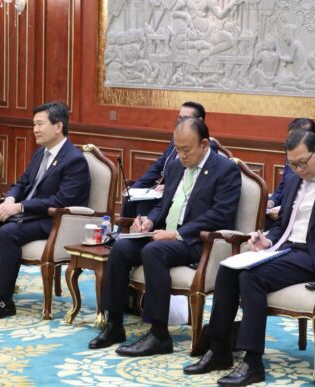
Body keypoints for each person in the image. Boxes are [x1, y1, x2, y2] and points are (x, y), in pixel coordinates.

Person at [183, 130, 315, 386]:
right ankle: (219, 349)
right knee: (228, 269)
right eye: (292, 164)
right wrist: (267, 241)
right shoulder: (293, 180)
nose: (298, 169)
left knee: (251, 277)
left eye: (302, 162)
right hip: (285, 249)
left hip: (314, 256)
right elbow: (282, 225)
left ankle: (253, 362)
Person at [89, 118, 241, 354]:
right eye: (177, 149)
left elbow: (220, 214)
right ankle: (114, 324)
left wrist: (178, 233)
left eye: (186, 150)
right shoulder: (175, 166)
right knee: (120, 248)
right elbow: (164, 204)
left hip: (197, 241)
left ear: (204, 145)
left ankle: (159, 334)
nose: (181, 155)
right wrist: (149, 220)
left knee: (154, 251)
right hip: (163, 234)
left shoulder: (226, 170)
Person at [0, 102, 89, 320]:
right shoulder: (40, 154)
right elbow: (22, 183)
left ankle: (4, 301)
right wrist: (10, 199)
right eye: (34, 124)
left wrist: (20, 207)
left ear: (58, 126)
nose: (35, 129)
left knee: (8, 232)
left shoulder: (74, 160)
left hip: (53, 221)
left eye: (40, 124)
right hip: (25, 214)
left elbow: (61, 200)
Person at [122, 101, 220, 217]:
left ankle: (143, 227)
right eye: (179, 118)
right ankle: (124, 228)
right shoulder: (176, 141)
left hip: (180, 196)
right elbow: (158, 166)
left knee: (144, 205)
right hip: (160, 191)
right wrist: (136, 188)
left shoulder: (206, 147)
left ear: (199, 121)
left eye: (185, 118)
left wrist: (169, 187)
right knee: (131, 198)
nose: (180, 122)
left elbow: (197, 178)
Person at [265, 117, 315, 228]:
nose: (298, 169)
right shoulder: (292, 157)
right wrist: (272, 202)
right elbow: (283, 186)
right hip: (283, 209)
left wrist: (288, 211)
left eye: (302, 163)